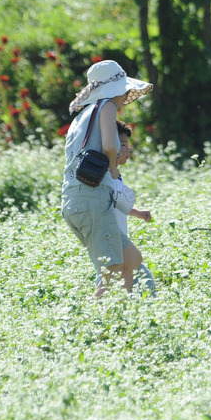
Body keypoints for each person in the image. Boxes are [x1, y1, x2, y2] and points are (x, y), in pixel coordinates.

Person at [61, 59, 153, 297]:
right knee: (112, 271)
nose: (126, 96)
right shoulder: (107, 105)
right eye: (124, 90)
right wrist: (113, 172)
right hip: (92, 199)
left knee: (131, 259)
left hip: (74, 201)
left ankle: (123, 311)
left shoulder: (83, 115)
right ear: (115, 89)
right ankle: (96, 315)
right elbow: (109, 147)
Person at [96, 120, 157, 294]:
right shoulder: (105, 175)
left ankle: (117, 306)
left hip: (115, 238)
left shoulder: (114, 174)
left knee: (113, 279)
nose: (127, 149)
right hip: (110, 237)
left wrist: (136, 212)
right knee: (143, 282)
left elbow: (116, 202)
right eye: (123, 145)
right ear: (111, 145)